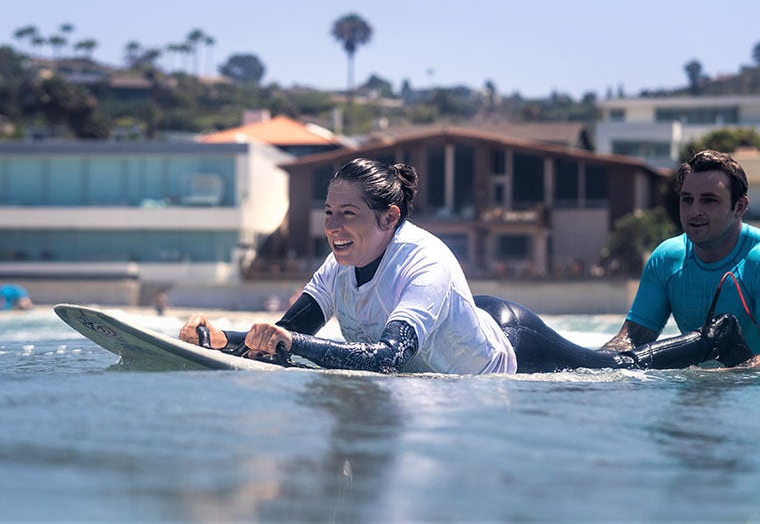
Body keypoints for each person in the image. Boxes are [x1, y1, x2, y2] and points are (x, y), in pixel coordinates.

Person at [179, 158, 750, 374]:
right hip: (464, 322)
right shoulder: (338, 263)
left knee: (621, 370)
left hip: (513, 346)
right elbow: (290, 331)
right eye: (327, 211)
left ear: (389, 217)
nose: (332, 225)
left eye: (347, 214)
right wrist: (220, 339)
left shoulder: (422, 261)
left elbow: (387, 358)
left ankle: (711, 338)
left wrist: (287, 349)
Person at [601, 149, 760, 367]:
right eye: (687, 200)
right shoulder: (668, 258)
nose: (694, 211)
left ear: (739, 207)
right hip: (698, 394)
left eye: (709, 200)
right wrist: (590, 367)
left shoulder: (756, 259)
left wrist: (724, 377)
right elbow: (631, 341)